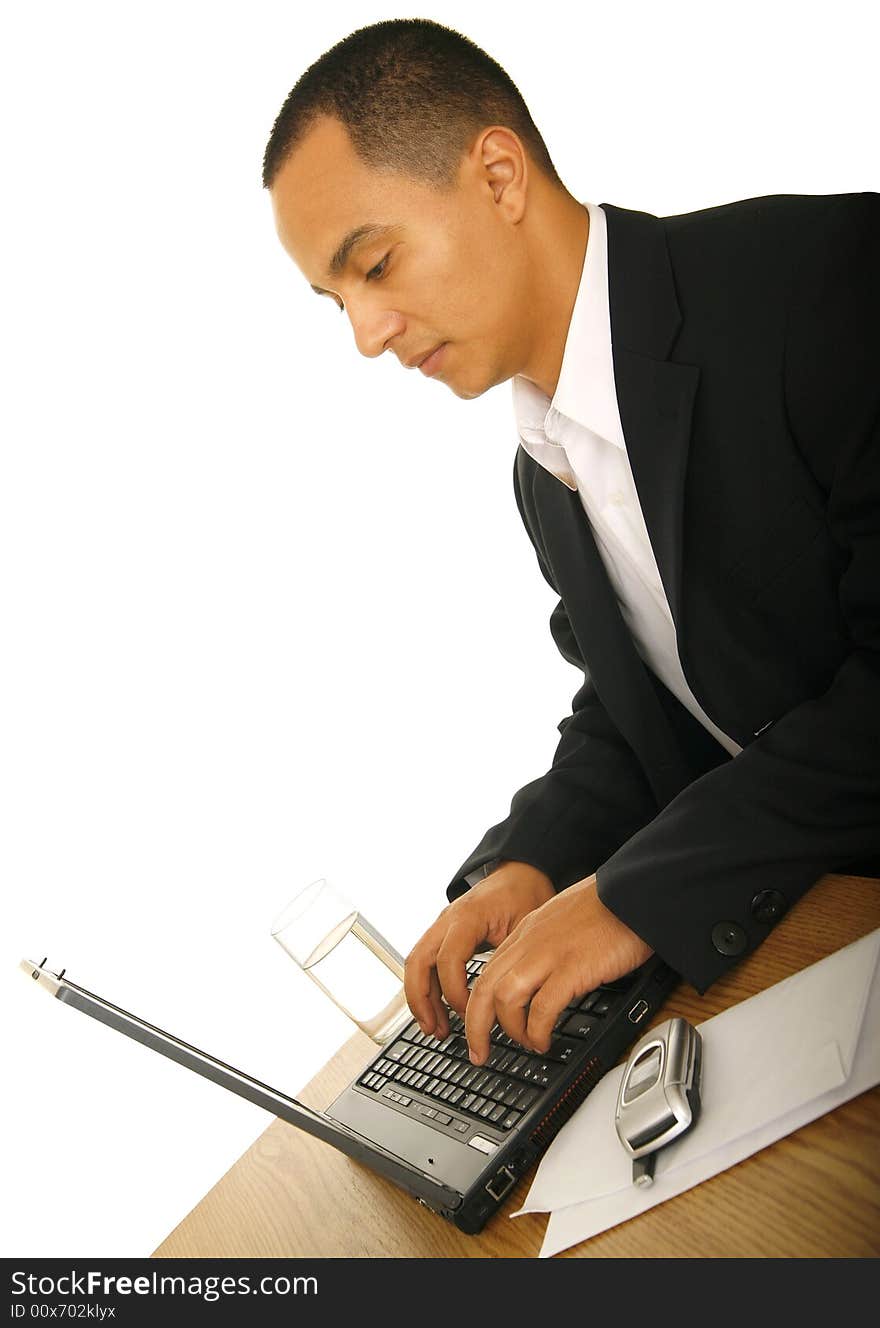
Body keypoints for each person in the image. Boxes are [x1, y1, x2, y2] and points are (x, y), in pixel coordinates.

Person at [262, 19, 879, 1070]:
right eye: (336, 301)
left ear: (499, 173)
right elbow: (635, 707)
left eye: (373, 264)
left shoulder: (828, 280)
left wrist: (637, 892)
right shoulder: (540, 470)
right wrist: (532, 865)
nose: (365, 335)